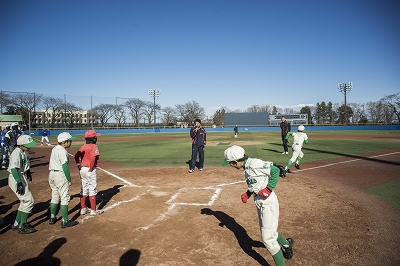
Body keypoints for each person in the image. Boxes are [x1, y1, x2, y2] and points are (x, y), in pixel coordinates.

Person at [222, 145, 294, 266]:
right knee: (269, 232)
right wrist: (248, 193)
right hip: (260, 201)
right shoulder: (247, 167)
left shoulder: (254, 164)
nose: (230, 165)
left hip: (268, 202)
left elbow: (275, 170)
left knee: (268, 239)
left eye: (230, 163)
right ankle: (287, 244)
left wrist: (269, 189)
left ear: (235, 162)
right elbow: (256, 183)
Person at [7, 135, 37, 234]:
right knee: (29, 200)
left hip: (22, 176)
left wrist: (28, 173)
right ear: (21, 145)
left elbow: (26, 165)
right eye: (27, 145)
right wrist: (19, 182)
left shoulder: (25, 152)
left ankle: (17, 223)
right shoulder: (16, 152)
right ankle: (22, 225)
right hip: (16, 177)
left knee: (24, 201)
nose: (30, 147)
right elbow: (13, 169)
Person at [48, 132, 79, 228]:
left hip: (52, 174)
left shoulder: (54, 148)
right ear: (64, 142)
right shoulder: (62, 151)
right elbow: (64, 166)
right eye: (70, 141)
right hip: (60, 175)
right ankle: (65, 221)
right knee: (65, 198)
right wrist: (69, 179)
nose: (71, 142)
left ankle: (52, 217)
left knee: (55, 196)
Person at [75, 130, 104, 216]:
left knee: (84, 188)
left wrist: (78, 165)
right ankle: (93, 210)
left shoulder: (83, 146)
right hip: (90, 169)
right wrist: (91, 168)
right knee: (92, 188)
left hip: (83, 169)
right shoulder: (94, 146)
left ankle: (83, 208)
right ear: (94, 138)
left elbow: (76, 155)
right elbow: (93, 158)